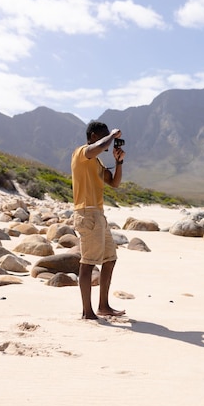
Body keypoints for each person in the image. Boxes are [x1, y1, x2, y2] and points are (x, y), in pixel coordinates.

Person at [71, 120, 126, 320]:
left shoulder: (97, 162)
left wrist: (119, 162)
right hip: (86, 213)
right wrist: (111, 135)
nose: (108, 144)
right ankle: (87, 312)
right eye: (103, 136)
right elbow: (101, 145)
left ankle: (103, 306)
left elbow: (114, 183)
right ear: (94, 136)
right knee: (87, 263)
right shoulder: (82, 153)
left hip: (98, 214)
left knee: (110, 259)